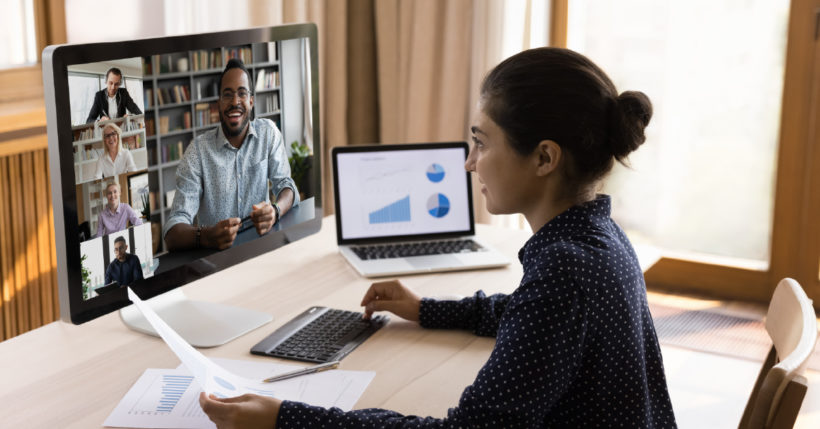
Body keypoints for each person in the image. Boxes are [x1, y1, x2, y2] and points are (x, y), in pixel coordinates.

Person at [199, 47, 678, 428]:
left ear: (544, 158)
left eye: (482, 142)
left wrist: (287, 418)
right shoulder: (599, 236)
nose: (470, 162)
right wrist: (423, 308)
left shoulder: (566, 269)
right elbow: (520, 312)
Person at [163, 58, 298, 251]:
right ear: (218, 103)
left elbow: (287, 186)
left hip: (263, 249)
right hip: (218, 261)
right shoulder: (198, 151)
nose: (235, 102)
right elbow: (172, 231)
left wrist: (275, 211)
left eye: (242, 94)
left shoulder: (268, 133)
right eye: (227, 95)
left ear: (251, 101)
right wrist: (206, 236)